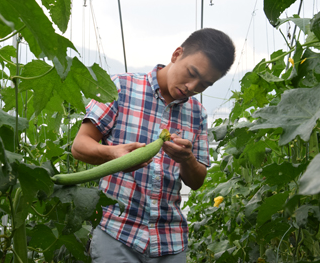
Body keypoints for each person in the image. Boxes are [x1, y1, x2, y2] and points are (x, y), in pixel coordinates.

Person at [71, 28, 235, 262]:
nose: (192, 87)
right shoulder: (120, 87)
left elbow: (196, 181)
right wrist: (113, 154)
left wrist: (187, 159)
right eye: (191, 73)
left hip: (170, 241)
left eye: (204, 85)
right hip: (117, 235)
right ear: (177, 54)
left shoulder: (198, 114)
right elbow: (79, 146)